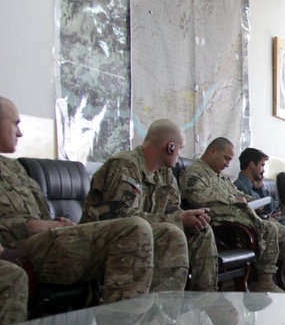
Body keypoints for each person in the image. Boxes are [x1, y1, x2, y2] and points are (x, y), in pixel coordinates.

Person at [0, 95, 179, 303]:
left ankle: (161, 320)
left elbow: (41, 215)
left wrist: (58, 225)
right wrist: (26, 227)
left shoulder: (13, 168)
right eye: (15, 124)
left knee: (169, 232)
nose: (19, 133)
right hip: (14, 247)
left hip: (49, 239)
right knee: (134, 228)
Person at [178, 138, 285, 291]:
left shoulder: (221, 177)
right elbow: (200, 199)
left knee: (281, 229)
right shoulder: (195, 173)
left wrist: (253, 202)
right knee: (271, 227)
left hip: (240, 216)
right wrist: (236, 201)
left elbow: (239, 194)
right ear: (213, 151)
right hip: (221, 221)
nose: (228, 164)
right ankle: (265, 282)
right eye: (226, 158)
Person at [82, 118, 219, 291]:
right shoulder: (125, 166)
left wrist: (190, 218)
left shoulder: (165, 173)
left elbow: (172, 209)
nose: (179, 155)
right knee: (171, 233)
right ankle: (161, 312)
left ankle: (205, 300)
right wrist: (178, 219)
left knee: (202, 230)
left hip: (147, 235)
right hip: (106, 239)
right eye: (179, 148)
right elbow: (124, 221)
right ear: (170, 147)